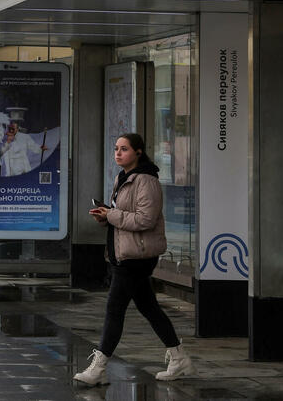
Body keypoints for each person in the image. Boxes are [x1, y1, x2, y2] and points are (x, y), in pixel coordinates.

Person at [74, 133, 194, 386]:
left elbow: (145, 220)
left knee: (114, 309)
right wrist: (105, 216)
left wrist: (113, 215)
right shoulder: (123, 178)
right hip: (124, 253)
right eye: (116, 148)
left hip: (137, 257)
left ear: (138, 152)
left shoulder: (147, 181)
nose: (118, 153)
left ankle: (99, 368)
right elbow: (124, 215)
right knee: (148, 307)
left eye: (124, 149)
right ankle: (178, 357)